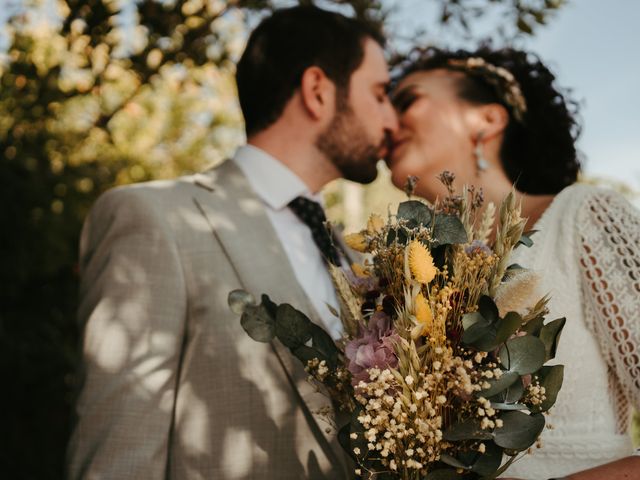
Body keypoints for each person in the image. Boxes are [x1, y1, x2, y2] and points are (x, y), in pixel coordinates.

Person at [67, 6, 398, 479]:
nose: (392, 120)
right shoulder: (154, 220)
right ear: (318, 91)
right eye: (381, 94)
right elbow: (119, 455)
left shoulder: (358, 259)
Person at [387, 46, 640, 479]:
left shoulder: (584, 217)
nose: (387, 122)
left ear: (487, 119)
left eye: (407, 100)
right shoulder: (404, 276)